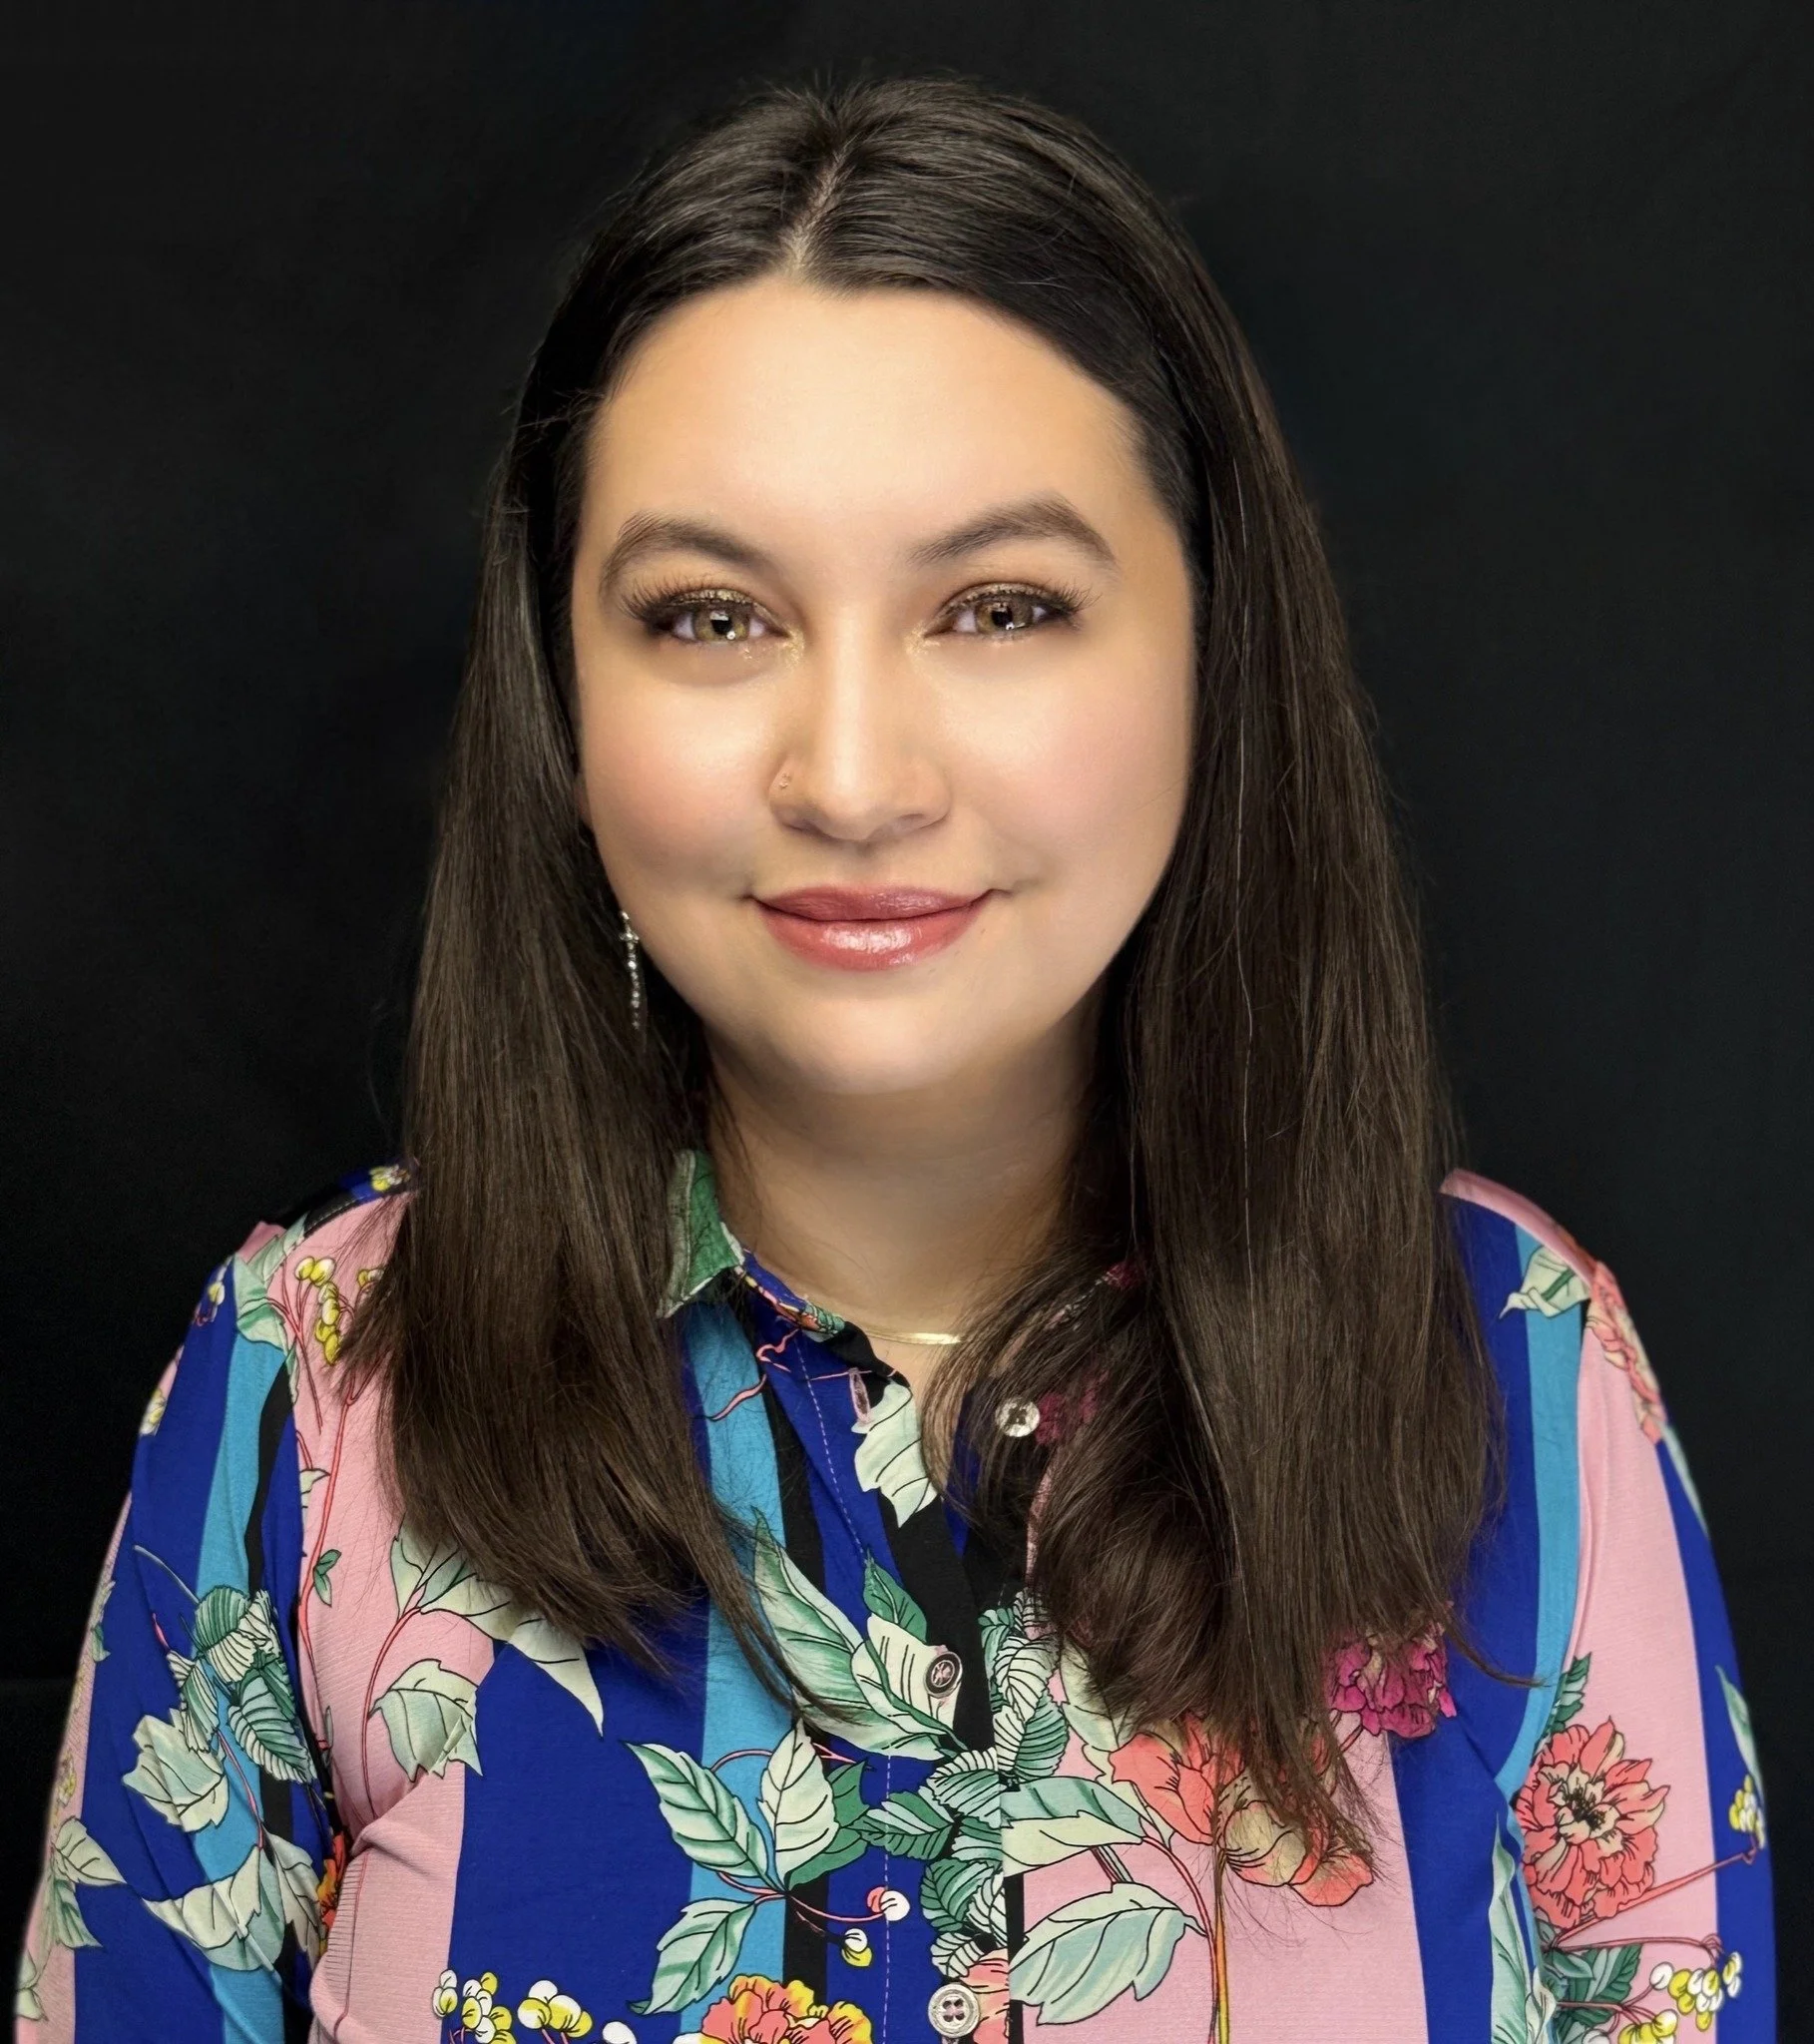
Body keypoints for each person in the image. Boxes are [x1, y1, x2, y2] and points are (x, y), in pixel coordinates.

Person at [16, 74, 1772, 2044]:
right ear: (564, 695)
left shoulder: (1519, 1371)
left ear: (1214, 650)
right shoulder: (309, 1396)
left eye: (1001, 606)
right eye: (710, 614)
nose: (850, 777)